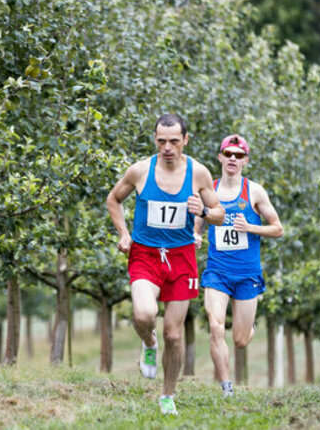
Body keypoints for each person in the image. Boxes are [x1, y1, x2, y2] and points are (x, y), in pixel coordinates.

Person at [106, 114, 225, 415]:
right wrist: (123, 233)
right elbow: (113, 199)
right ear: (155, 140)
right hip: (145, 254)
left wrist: (205, 212)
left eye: (174, 141)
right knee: (144, 313)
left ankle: (167, 395)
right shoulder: (140, 170)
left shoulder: (198, 173)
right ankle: (148, 342)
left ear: (185, 140)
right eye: (161, 141)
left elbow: (220, 213)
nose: (167, 147)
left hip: (182, 257)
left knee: (174, 333)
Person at [194, 134, 284, 397]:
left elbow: (278, 229)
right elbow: (200, 221)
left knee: (240, 340)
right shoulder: (209, 190)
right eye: (228, 154)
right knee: (215, 326)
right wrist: (197, 236)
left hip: (247, 275)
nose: (233, 159)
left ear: (246, 161)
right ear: (220, 157)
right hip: (217, 272)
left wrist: (251, 227)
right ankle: (227, 387)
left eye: (239, 155)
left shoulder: (254, 191)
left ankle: (250, 326)